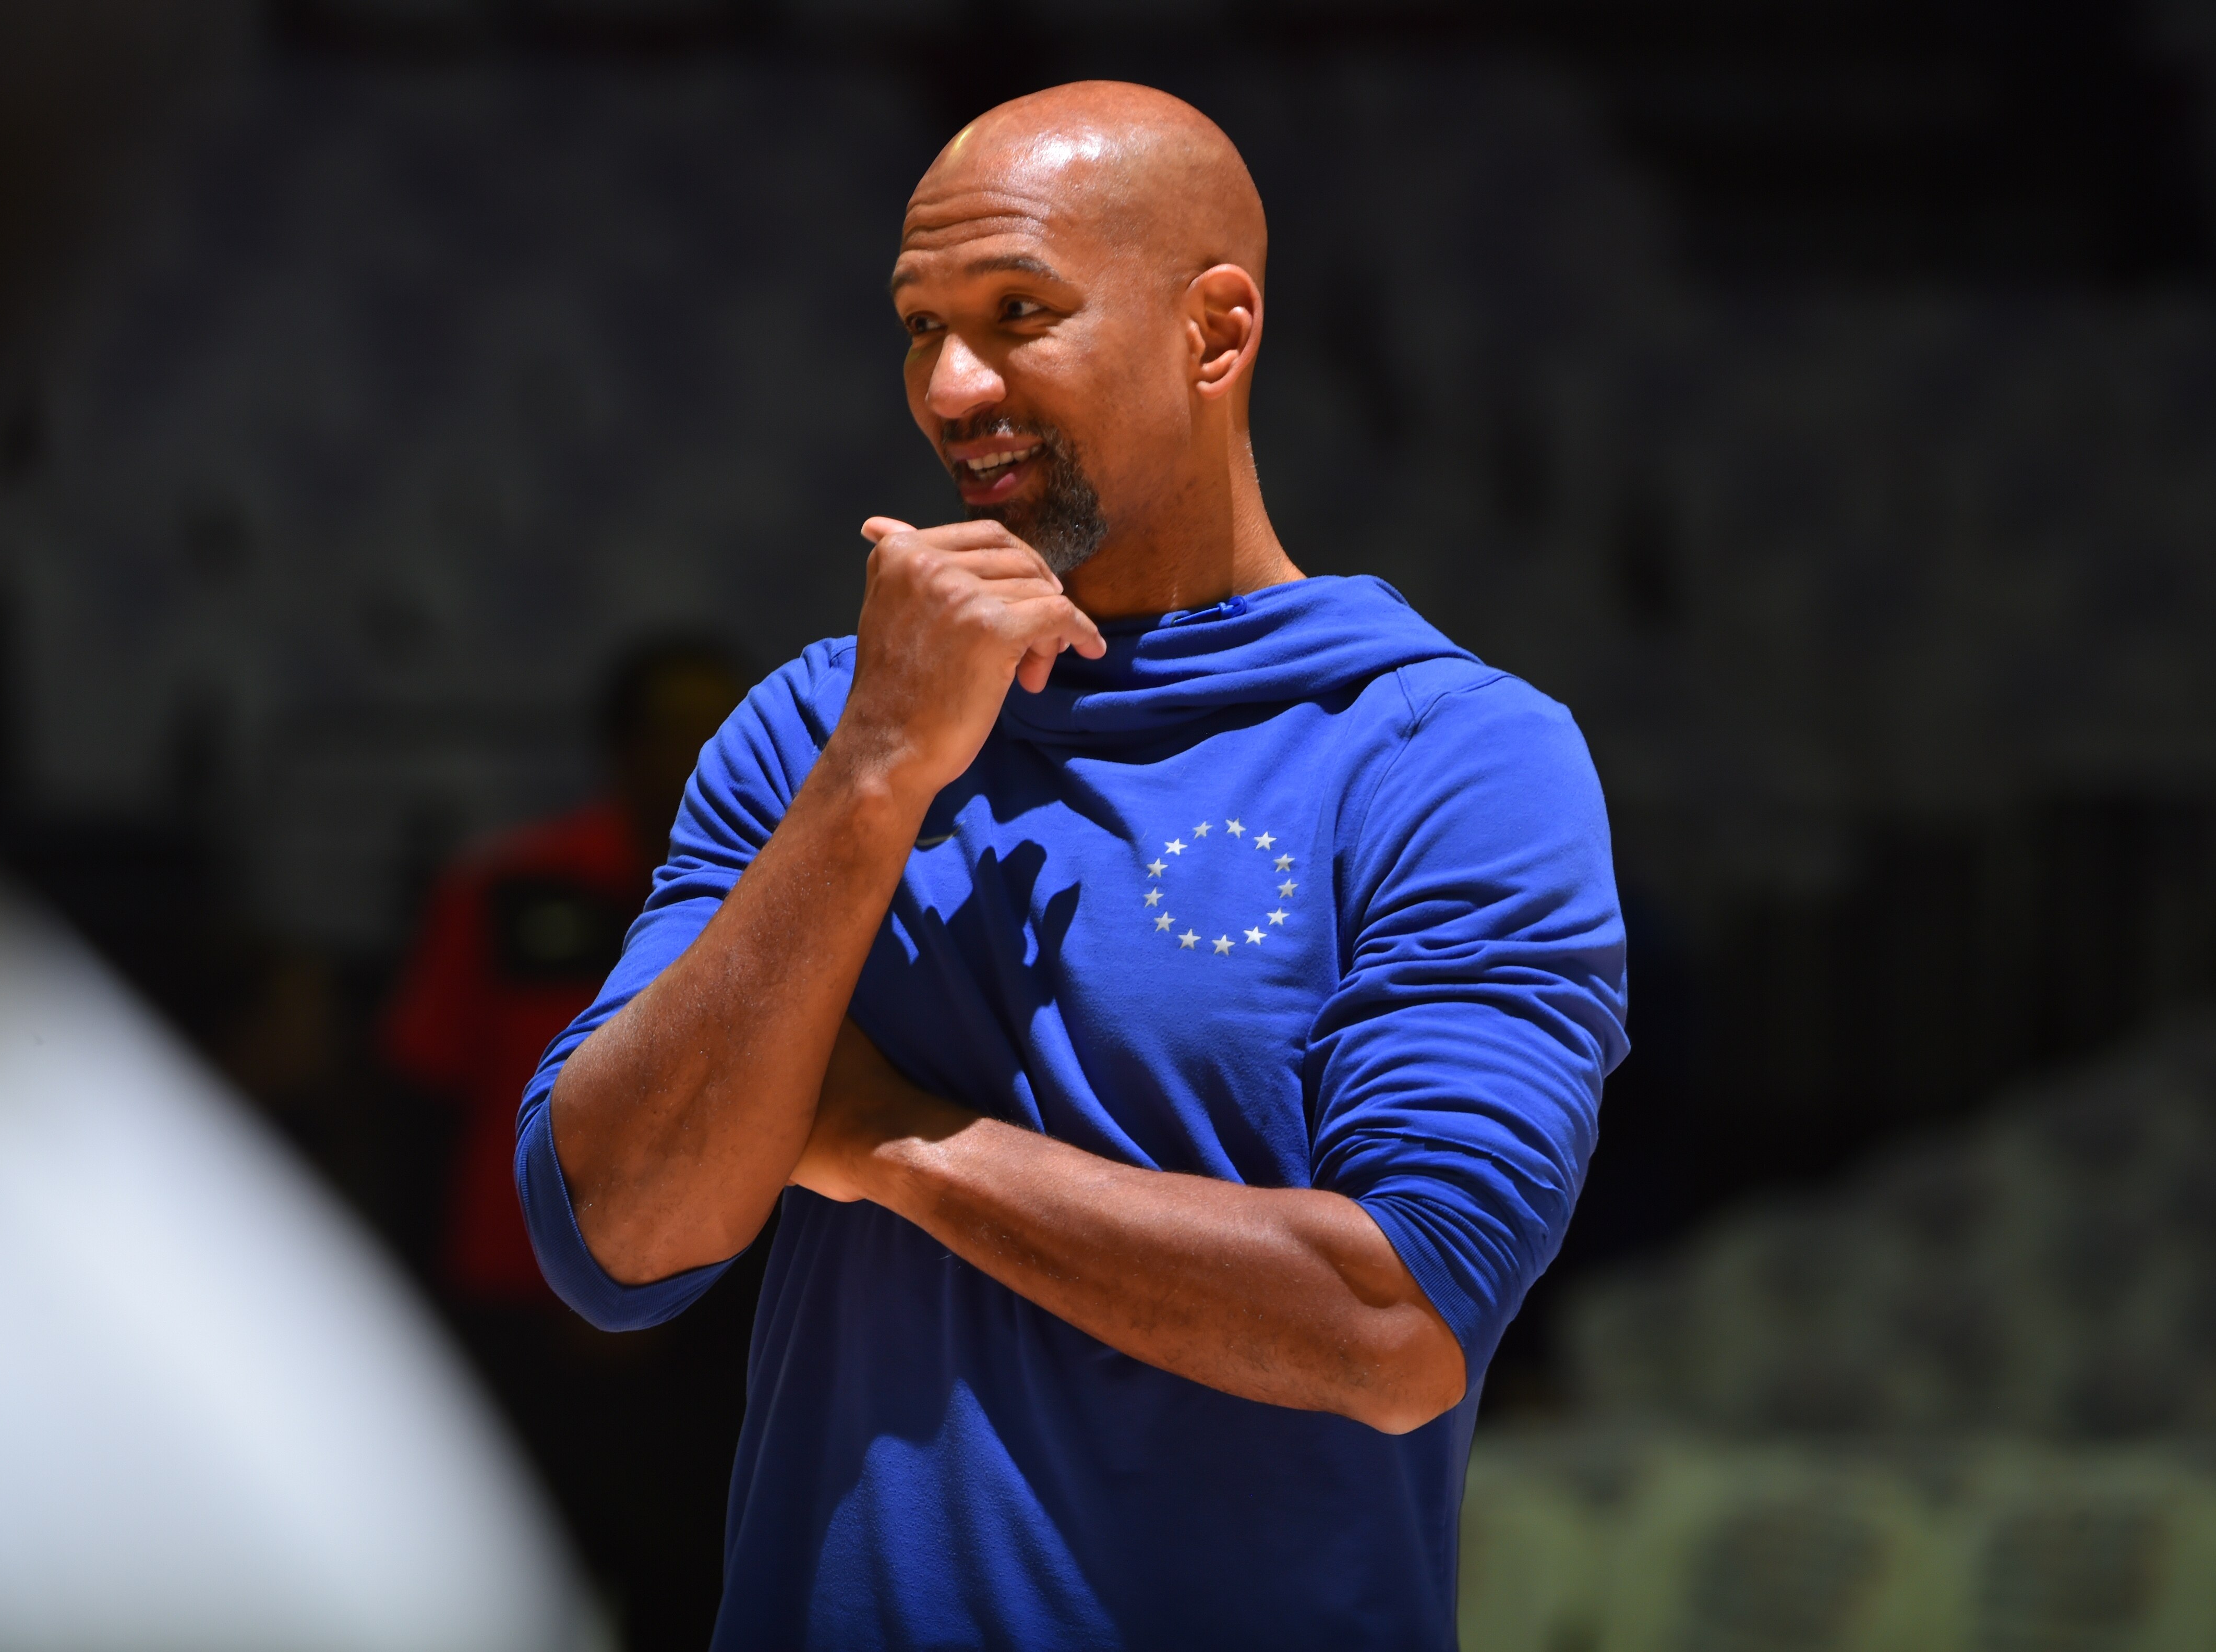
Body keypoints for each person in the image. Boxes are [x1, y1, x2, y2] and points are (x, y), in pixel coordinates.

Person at [521, 83, 1628, 1647]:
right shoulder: (813, 737)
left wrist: (887, 1140)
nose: (951, 385)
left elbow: (1395, 1324)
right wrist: (880, 772)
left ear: (1217, 333)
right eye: (920, 324)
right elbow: (615, 1237)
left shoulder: (1452, 758)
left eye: (1019, 313)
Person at [382, 634, 752, 1649]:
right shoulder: (505, 892)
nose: (696, 754)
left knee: (692, 1598)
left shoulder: (783, 912)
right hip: (513, 1329)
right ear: (619, 747)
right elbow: (418, 1113)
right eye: (671, 731)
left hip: (705, 1334)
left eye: (718, 731)